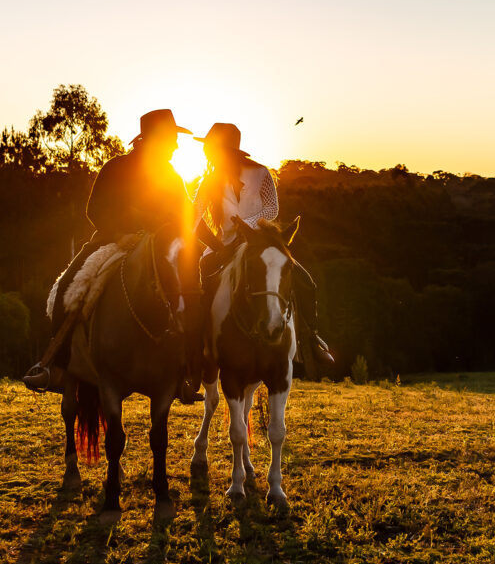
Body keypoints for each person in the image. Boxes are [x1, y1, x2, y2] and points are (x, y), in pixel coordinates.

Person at [23, 109, 207, 403]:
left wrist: (203, 241)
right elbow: (94, 210)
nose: (175, 145)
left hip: (159, 250)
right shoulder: (116, 168)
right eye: (171, 139)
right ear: (155, 139)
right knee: (70, 287)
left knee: (191, 294)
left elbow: (184, 217)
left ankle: (183, 374)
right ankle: (55, 366)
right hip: (114, 242)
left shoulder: (173, 176)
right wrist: (121, 233)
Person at [193, 123, 335, 369]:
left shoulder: (261, 174)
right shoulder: (208, 181)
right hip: (223, 245)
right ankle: (196, 348)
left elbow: (272, 208)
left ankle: (311, 339)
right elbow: (195, 214)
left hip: (259, 242)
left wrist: (247, 226)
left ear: (224, 150)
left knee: (305, 281)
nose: (206, 153)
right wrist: (205, 238)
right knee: (194, 285)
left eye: (209, 148)